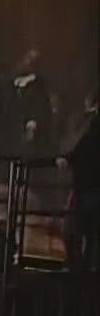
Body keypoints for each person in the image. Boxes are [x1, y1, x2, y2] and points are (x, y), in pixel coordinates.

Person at [59, 89, 100, 273]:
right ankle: (80, 268)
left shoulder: (92, 124)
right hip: (84, 186)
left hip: (89, 187)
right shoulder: (89, 124)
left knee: (83, 232)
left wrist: (69, 158)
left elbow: (83, 148)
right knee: (78, 231)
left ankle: (81, 270)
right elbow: (81, 147)